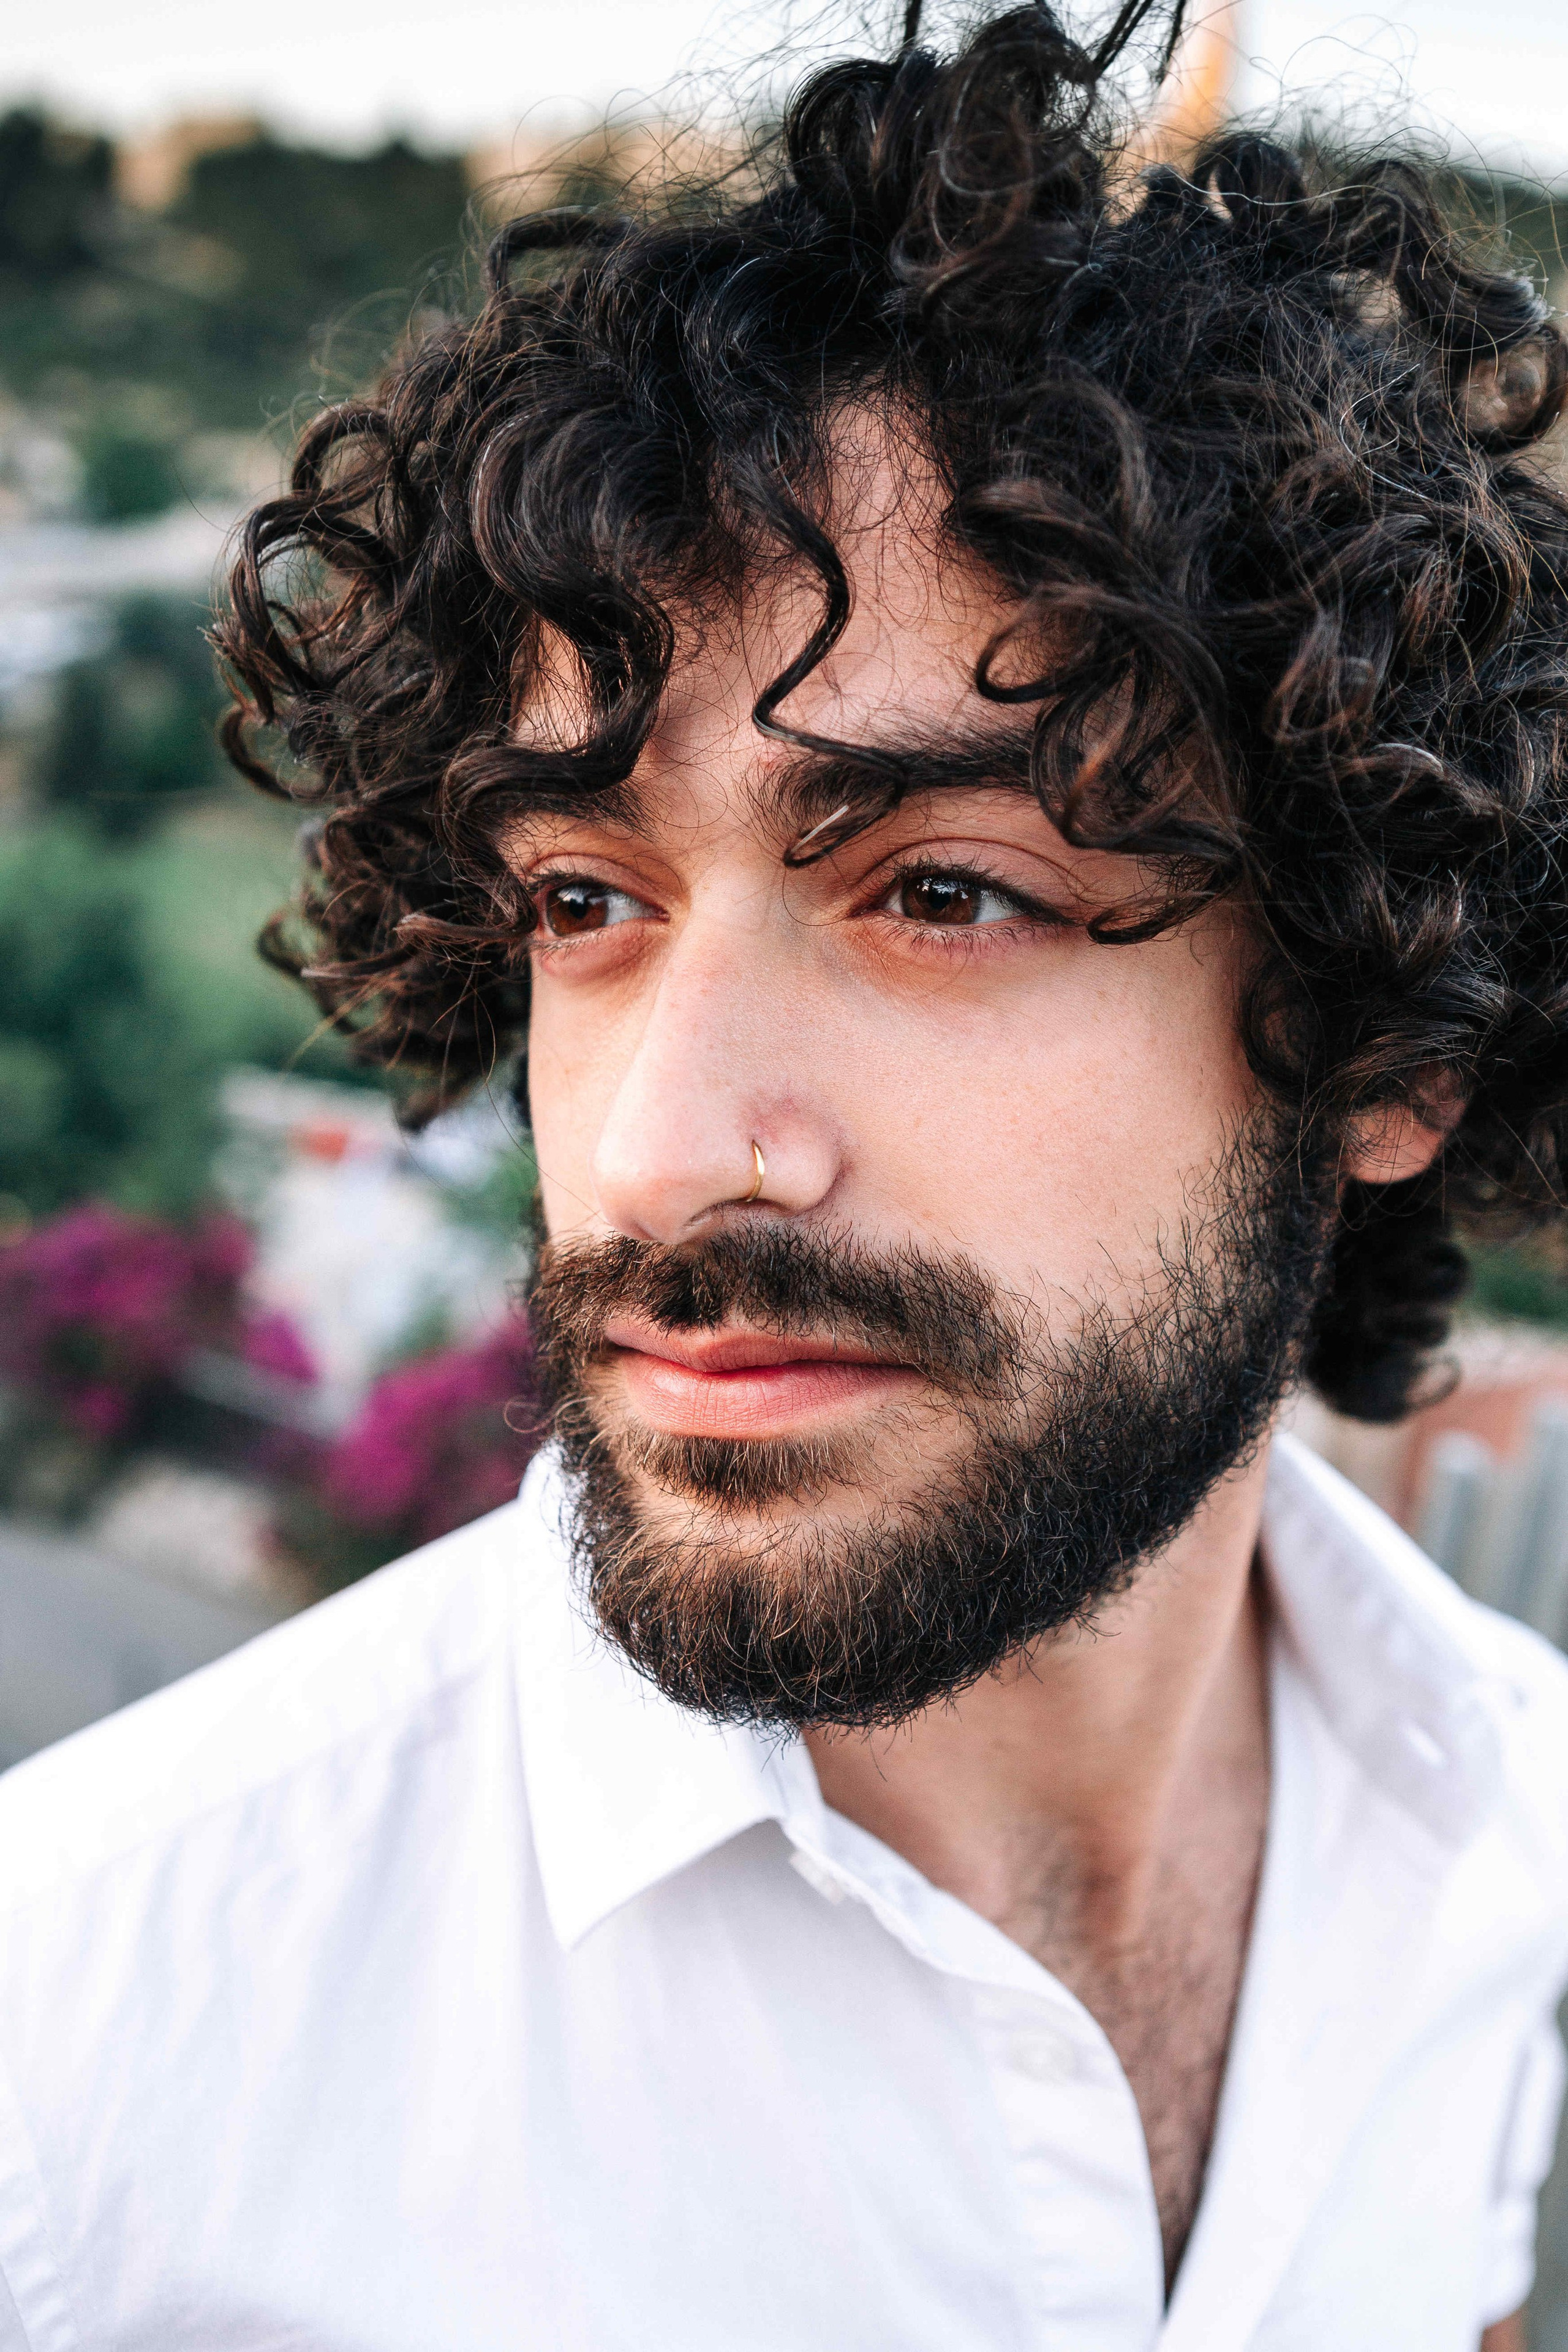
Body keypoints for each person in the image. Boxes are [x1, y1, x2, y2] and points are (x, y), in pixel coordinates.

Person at [5, 4, 1568, 2344]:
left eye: (943, 891)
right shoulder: (90, 2061)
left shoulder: (1503, 1838)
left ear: (1379, 1040)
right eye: (585, 906)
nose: (651, 1147)